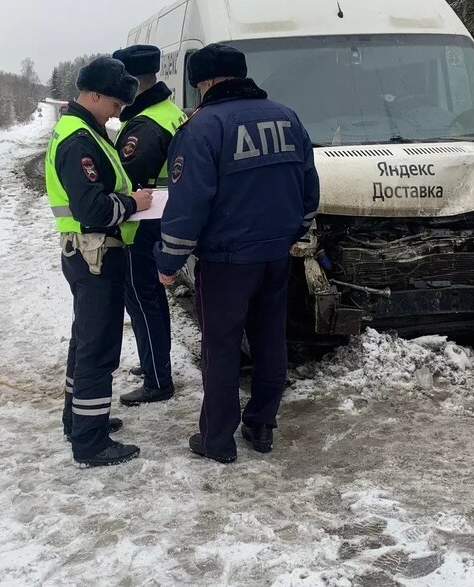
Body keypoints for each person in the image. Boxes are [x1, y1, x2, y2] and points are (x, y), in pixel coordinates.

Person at [155, 44, 320, 464]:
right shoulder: (287, 117)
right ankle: (262, 424)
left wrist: (169, 262)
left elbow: (188, 204)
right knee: (269, 340)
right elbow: (308, 188)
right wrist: (291, 232)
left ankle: (217, 440)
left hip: (227, 261)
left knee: (222, 348)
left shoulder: (203, 127)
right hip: (276, 254)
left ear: (205, 83)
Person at [45, 56, 152, 467]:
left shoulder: (85, 130)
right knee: (98, 347)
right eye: (114, 104)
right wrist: (133, 202)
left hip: (89, 252)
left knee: (85, 341)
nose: (118, 112)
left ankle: (79, 420)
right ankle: (90, 443)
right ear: (92, 95)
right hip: (95, 253)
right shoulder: (79, 140)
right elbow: (91, 207)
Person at [111, 44, 186, 407]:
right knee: (152, 299)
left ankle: (158, 378)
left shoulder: (145, 125)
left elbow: (124, 178)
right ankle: (153, 362)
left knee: (143, 301)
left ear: (129, 83)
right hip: (165, 219)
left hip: (142, 224)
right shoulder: (169, 112)